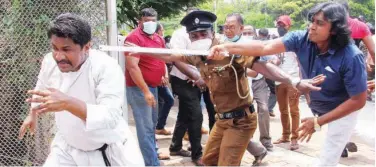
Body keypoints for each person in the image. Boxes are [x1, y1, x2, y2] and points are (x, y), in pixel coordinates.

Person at [125, 10, 323, 166]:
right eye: (194, 35)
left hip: (241, 120)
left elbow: (262, 66)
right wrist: (140, 50)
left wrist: (294, 81)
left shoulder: (230, 49)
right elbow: (170, 56)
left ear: (213, 33)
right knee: (208, 161)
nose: (199, 37)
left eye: (203, 33)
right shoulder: (196, 53)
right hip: (222, 121)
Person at [209, 2, 367, 166]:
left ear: (335, 29)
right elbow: (264, 47)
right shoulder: (302, 39)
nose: (312, 27)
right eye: (312, 21)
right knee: (356, 134)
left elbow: (358, 100)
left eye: (320, 23)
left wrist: (317, 122)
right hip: (321, 108)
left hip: (342, 110)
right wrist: (226, 46)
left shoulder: (351, 56)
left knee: (327, 159)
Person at [18, 13, 144, 166]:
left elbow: (110, 116)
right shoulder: (49, 62)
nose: (58, 56)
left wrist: (67, 103)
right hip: (67, 149)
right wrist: (33, 114)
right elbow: (41, 89)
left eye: (66, 49)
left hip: (107, 153)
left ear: (87, 47)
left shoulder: (105, 67)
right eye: (54, 48)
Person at [222, 13, 272, 165]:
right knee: (230, 127)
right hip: (224, 94)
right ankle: (258, 150)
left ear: (241, 28)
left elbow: (255, 71)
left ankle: (259, 149)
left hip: (241, 93)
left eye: (232, 27)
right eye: (226, 27)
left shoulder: (248, 46)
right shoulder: (221, 44)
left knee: (237, 127)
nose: (228, 30)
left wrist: (236, 69)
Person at [124, 7, 168, 166]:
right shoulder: (133, 38)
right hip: (139, 89)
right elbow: (132, 67)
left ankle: (152, 155)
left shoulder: (158, 38)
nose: (150, 24)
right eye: (146, 21)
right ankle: (152, 163)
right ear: (140, 21)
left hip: (154, 87)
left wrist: (164, 74)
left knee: (152, 124)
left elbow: (163, 57)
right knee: (145, 128)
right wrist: (145, 91)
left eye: (153, 21)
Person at [272, 15, 301, 151]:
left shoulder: (295, 41)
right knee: (283, 110)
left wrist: (301, 80)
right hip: (279, 79)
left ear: (288, 26)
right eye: (278, 25)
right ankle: (285, 135)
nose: (280, 27)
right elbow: (275, 60)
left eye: (282, 25)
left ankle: (295, 138)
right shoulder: (276, 41)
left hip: (292, 79)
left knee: (293, 110)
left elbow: (300, 62)